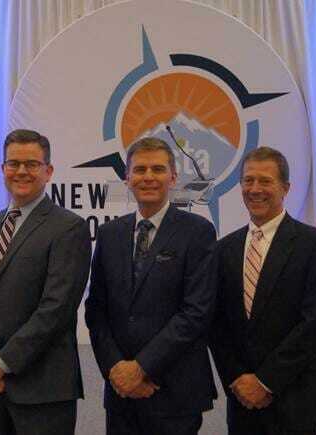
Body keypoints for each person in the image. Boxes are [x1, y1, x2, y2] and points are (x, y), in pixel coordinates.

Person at [0, 129, 91, 435]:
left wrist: (0, 365)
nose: (21, 171)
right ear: (3, 169)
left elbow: (55, 310)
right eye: (13, 163)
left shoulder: (69, 228)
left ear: (48, 171)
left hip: (42, 389)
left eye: (31, 164)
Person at [85, 137, 217, 435]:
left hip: (175, 389)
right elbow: (96, 311)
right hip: (121, 392)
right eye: (139, 169)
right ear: (127, 178)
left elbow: (196, 312)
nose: (148, 177)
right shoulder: (109, 235)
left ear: (173, 178)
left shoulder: (198, 232)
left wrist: (141, 368)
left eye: (157, 169)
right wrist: (116, 369)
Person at [209, 146, 316, 435]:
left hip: (296, 399)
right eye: (248, 180)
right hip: (242, 400)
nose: (255, 189)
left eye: (265, 181)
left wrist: (265, 382)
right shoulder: (224, 250)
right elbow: (217, 324)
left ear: (285, 188)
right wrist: (237, 379)